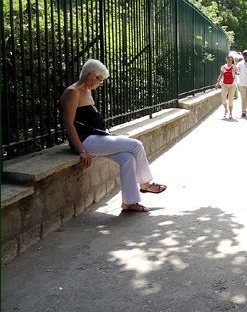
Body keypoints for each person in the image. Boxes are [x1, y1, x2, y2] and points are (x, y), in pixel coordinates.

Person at [59, 59, 166, 213]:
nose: (101, 83)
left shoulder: (87, 91)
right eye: (100, 79)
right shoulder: (73, 92)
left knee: (127, 159)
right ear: (90, 76)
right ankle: (145, 183)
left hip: (98, 137)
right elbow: (69, 123)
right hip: (86, 141)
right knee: (136, 145)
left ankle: (129, 202)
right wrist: (81, 150)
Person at [215, 52, 238, 119]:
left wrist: (234, 67)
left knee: (230, 99)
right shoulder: (223, 67)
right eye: (228, 59)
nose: (229, 60)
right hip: (224, 84)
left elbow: (237, 71)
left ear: (232, 60)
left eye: (231, 59)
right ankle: (226, 109)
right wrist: (217, 83)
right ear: (226, 60)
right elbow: (221, 75)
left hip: (232, 85)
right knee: (223, 98)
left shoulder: (234, 66)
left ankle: (230, 113)